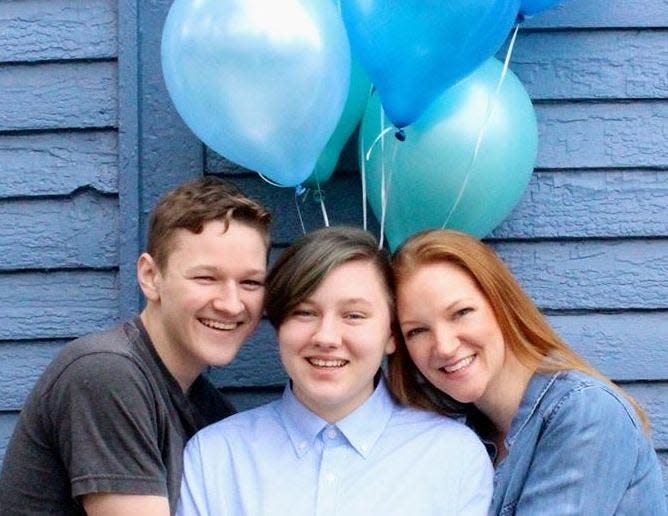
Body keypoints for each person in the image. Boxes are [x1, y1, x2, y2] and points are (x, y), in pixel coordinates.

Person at [0, 176, 271, 516]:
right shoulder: (107, 373)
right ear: (149, 276)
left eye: (250, 282)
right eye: (206, 278)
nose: (232, 304)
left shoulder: (210, 412)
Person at [177, 226, 493, 515]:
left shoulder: (453, 457)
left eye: (354, 315)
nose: (326, 337)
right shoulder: (215, 458)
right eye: (304, 312)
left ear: (392, 335)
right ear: (279, 326)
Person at [388, 229, 667, 515]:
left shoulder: (585, 412)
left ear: (501, 304)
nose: (444, 347)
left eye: (461, 313)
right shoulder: (462, 436)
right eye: (417, 331)